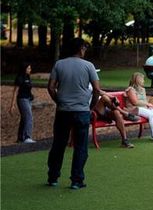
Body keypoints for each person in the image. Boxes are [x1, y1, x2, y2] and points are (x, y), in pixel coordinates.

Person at [47, 37, 101, 189]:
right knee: (81, 146)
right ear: (80, 49)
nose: (85, 51)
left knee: (58, 144)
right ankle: (76, 180)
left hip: (63, 110)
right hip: (81, 111)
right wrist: (91, 106)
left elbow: (51, 87)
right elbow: (96, 90)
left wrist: (59, 101)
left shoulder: (59, 64)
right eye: (84, 48)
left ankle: (53, 176)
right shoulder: (89, 66)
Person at [125, 72, 153, 142]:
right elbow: (135, 102)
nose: (143, 81)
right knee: (151, 115)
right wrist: (147, 104)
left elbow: (144, 101)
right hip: (135, 109)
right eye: (142, 79)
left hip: (144, 108)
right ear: (137, 80)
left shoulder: (142, 89)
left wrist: (147, 105)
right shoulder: (130, 89)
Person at [10, 62, 36, 143]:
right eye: (28, 68)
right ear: (24, 69)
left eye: (30, 68)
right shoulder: (19, 78)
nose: (30, 70)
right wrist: (12, 105)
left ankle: (20, 137)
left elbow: (28, 88)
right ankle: (27, 137)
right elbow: (15, 91)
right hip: (22, 99)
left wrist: (31, 95)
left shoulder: (28, 76)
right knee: (29, 117)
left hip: (28, 99)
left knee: (24, 118)